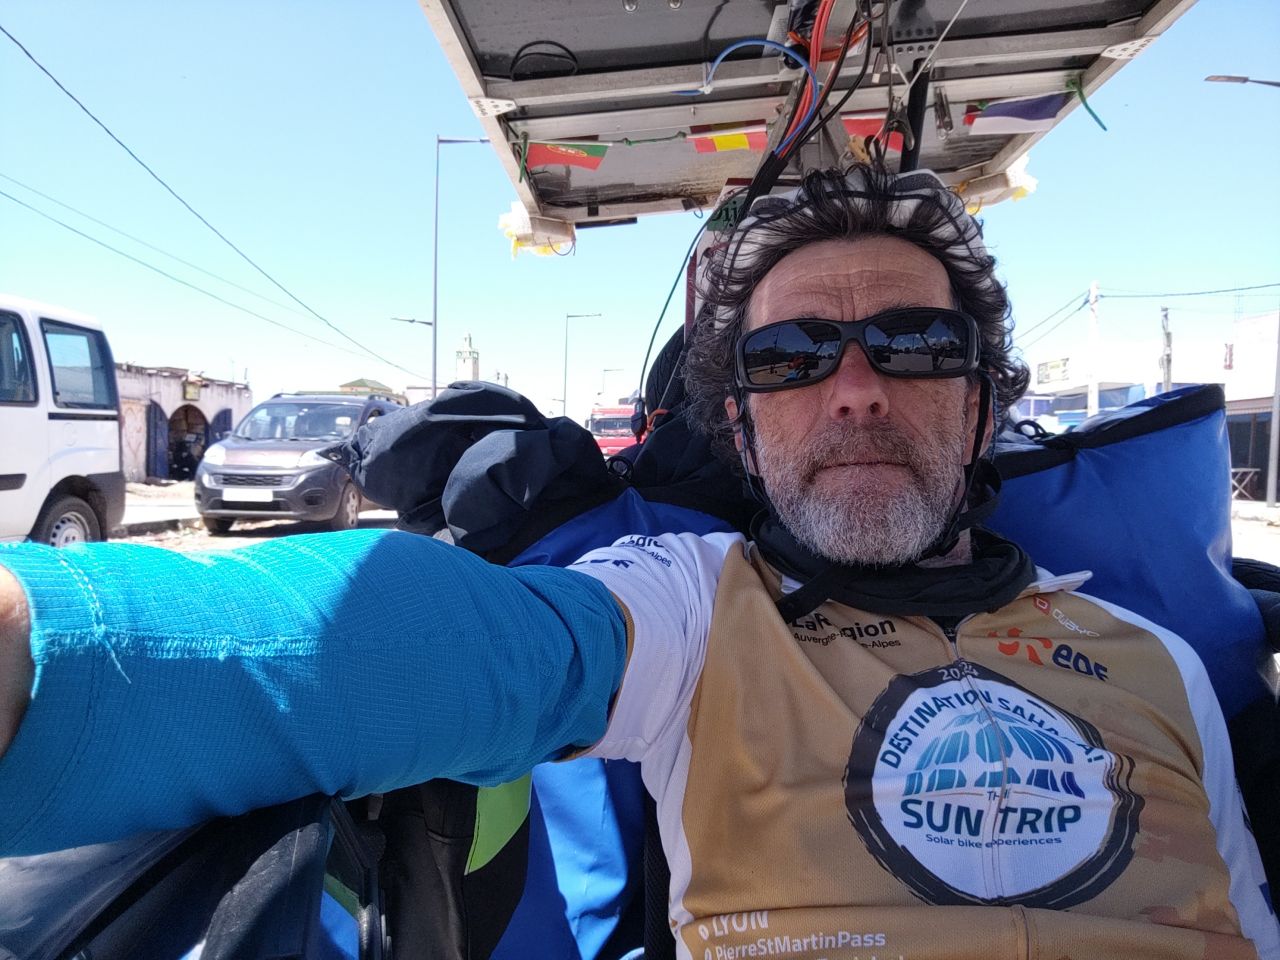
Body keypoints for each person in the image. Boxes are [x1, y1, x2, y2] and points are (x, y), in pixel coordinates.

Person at [0, 164, 1275, 959]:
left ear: (984, 404)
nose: (852, 390)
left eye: (914, 344)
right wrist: (38, 641)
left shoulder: (1157, 661)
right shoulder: (694, 612)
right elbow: (428, 646)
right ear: (741, 429)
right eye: (788, 359)